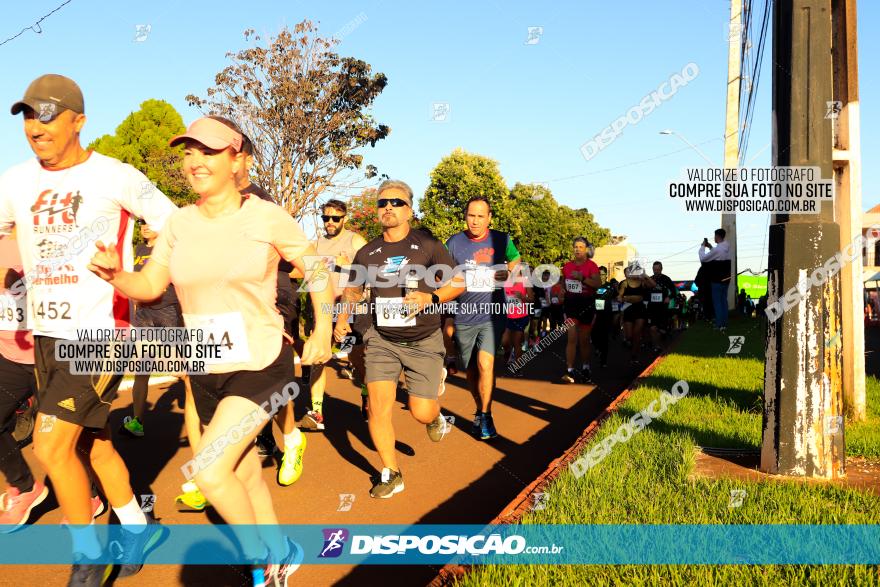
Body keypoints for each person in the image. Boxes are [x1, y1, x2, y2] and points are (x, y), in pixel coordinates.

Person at [88, 115, 334, 583]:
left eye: (209, 151)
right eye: (189, 151)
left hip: (261, 362)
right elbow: (151, 284)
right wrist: (114, 275)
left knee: (209, 469)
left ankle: (261, 556)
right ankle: (283, 555)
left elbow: (318, 269)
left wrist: (322, 327)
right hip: (204, 365)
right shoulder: (179, 222)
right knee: (243, 475)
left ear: (237, 159)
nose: (196, 161)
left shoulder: (264, 215)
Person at [0, 74, 178, 583]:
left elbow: (172, 224)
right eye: (28, 115)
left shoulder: (116, 176)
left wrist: (143, 274)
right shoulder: (14, 181)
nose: (36, 126)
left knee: (49, 444)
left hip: (100, 332)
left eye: (48, 114)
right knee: (91, 445)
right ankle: (139, 527)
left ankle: (87, 556)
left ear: (79, 121)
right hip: (47, 335)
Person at [334, 180, 464, 498]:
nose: (388, 207)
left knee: (421, 412)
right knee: (378, 408)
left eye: (396, 202)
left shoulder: (428, 245)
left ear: (410, 210)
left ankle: (435, 416)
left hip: (423, 339)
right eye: (382, 203)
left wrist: (430, 298)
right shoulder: (367, 253)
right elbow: (353, 289)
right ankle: (391, 473)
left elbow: (458, 282)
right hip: (382, 339)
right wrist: (341, 316)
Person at [446, 196, 521, 440]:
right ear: (465, 216)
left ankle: (486, 414)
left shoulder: (502, 239)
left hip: (492, 314)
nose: (475, 221)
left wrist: (508, 273)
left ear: (489, 217)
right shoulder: (455, 242)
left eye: (481, 216)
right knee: (470, 369)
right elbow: (445, 275)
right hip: (463, 314)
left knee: (485, 364)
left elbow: (516, 259)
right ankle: (479, 409)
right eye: (471, 215)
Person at [299, 199, 366, 433]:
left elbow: (372, 271)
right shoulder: (314, 245)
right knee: (319, 358)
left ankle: (366, 392)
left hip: (351, 309)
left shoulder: (354, 240)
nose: (330, 222)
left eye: (335, 218)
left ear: (344, 219)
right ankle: (316, 412)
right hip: (325, 310)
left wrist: (347, 266)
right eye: (326, 218)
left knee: (357, 359)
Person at [0, 233, 48, 531]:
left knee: (74, 437)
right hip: (8, 357)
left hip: (52, 355)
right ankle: (25, 485)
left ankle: (92, 496)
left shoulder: (40, 235)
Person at [120, 222, 184, 439]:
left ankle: (207, 407)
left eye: (150, 223)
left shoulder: (170, 249)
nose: (145, 227)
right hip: (144, 315)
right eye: (141, 223)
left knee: (182, 368)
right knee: (142, 368)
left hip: (168, 311)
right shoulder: (137, 251)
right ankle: (138, 421)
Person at [560, 237, 601, 384]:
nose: (577, 249)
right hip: (571, 304)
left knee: (584, 340)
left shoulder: (592, 266)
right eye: (575, 247)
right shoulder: (567, 266)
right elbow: (563, 283)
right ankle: (569, 370)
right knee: (571, 338)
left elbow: (597, 284)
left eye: (580, 247)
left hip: (586, 304)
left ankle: (585, 367)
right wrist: (561, 291)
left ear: (586, 249)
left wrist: (582, 278)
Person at [618, 263, 653, 364]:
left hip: (640, 309)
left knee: (637, 333)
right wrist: (621, 298)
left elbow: (652, 285)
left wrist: (645, 275)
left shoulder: (642, 282)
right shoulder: (625, 283)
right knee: (629, 335)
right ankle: (630, 343)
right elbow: (620, 295)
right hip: (628, 308)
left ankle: (634, 355)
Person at [699, 229, 732, 331]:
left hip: (717, 278)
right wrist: (710, 247)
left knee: (717, 302)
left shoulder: (718, 249)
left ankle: (719, 325)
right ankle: (724, 323)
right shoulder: (727, 246)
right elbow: (718, 253)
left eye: (715, 236)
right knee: (723, 301)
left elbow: (703, 258)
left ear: (717, 236)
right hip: (726, 278)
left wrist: (702, 247)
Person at [501, 266, 534, 369]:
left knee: (517, 342)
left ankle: (518, 366)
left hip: (520, 316)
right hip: (507, 316)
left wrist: (523, 297)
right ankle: (508, 352)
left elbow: (532, 299)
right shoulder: (504, 281)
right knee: (504, 341)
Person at [647, 261, 677, 354]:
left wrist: (669, 297)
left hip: (663, 307)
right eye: (655, 269)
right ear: (652, 269)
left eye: (658, 269)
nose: (656, 271)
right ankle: (656, 346)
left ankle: (662, 343)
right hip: (652, 307)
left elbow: (673, 291)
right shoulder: (650, 279)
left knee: (661, 330)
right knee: (652, 328)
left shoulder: (666, 279)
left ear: (661, 269)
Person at [591, 266, 615, 368]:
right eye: (598, 274)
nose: (600, 276)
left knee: (604, 338)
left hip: (606, 315)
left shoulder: (610, 286)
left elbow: (616, 296)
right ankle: (597, 348)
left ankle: (603, 360)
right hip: (595, 314)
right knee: (593, 334)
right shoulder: (593, 286)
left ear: (606, 275)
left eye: (602, 274)